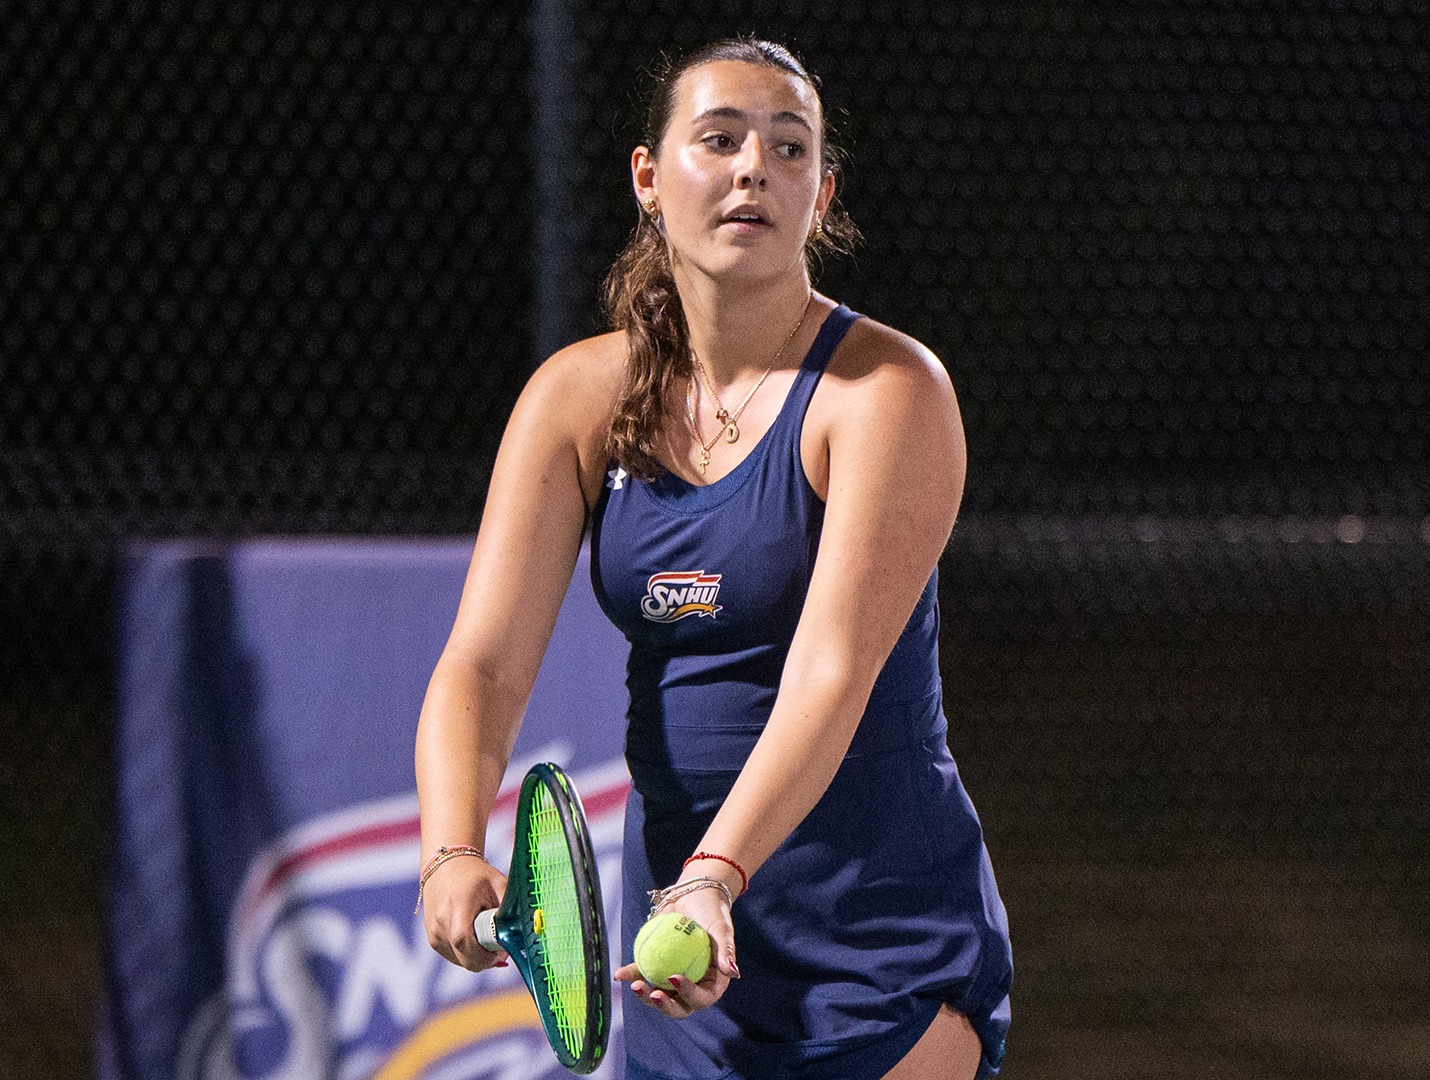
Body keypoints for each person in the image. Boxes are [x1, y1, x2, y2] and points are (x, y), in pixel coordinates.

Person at [415, 37, 1012, 1079]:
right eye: (720, 138)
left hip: (874, 944)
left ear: (820, 196)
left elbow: (831, 674)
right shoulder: (577, 399)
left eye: (788, 150)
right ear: (649, 177)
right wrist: (453, 850)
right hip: (680, 966)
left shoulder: (887, 393)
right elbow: (484, 664)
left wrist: (717, 875)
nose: (753, 168)